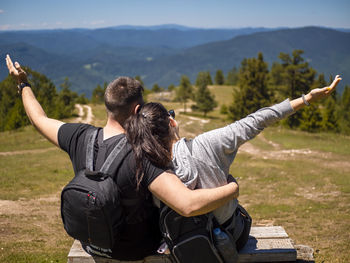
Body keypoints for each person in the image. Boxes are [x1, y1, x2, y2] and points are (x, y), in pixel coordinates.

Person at [5, 55, 239, 262]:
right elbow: (188, 205)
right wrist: (232, 188)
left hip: (93, 244)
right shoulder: (142, 153)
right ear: (138, 111)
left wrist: (23, 83)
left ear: (108, 106)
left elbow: (38, 119)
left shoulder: (79, 136)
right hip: (134, 251)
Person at [124, 75, 342, 253]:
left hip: (179, 242)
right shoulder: (207, 144)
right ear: (171, 122)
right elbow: (257, 120)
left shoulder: (146, 163)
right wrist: (306, 99)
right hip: (228, 237)